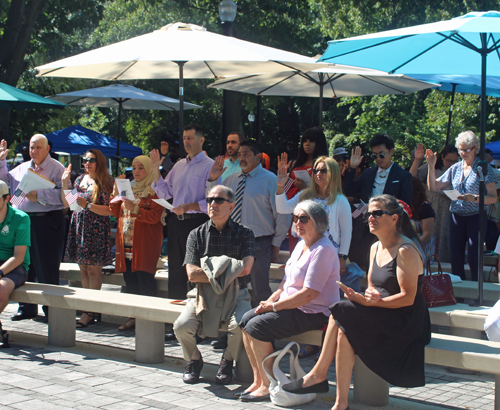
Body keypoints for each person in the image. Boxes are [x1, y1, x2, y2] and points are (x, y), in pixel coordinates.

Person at [283, 195, 431, 410]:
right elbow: (373, 287)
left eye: (377, 213)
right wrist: (365, 297)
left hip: (406, 320)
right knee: (344, 326)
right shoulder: (374, 247)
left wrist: (371, 303)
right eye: (369, 213)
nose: (370, 217)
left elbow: (408, 298)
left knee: (342, 312)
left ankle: (319, 375)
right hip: (381, 312)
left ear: (394, 218)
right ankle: (339, 403)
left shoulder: (405, 250)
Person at [237, 200, 339, 402]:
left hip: (314, 312)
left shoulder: (324, 250)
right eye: (295, 218)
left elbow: (309, 294)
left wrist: (273, 307)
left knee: (257, 327)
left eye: (303, 218)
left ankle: (269, 384)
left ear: (318, 221)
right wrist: (268, 302)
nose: (298, 222)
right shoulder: (301, 244)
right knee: (245, 319)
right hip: (290, 305)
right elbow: (285, 283)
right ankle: (259, 380)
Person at [174, 185, 256, 384]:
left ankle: (227, 360)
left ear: (231, 206)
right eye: (210, 200)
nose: (213, 204)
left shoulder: (245, 234)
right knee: (181, 327)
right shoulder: (196, 235)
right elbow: (192, 275)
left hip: (237, 293)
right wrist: (229, 268)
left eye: (219, 200)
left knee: (240, 325)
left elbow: (246, 269)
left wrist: (211, 269)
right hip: (202, 294)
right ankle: (194, 360)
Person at [151, 124, 222, 300]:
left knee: (196, 270)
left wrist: (189, 206)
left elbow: (214, 199)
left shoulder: (211, 166)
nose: (186, 142)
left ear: (201, 140)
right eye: (184, 138)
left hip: (197, 223)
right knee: (175, 271)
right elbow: (165, 192)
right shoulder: (179, 165)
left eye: (190, 138)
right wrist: (154, 169)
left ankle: (196, 317)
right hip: (176, 223)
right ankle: (174, 320)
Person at [0, 135, 66, 321]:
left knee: (47, 267)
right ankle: (27, 308)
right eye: (31, 147)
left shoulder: (57, 169)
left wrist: (41, 195)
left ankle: (51, 310)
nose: (34, 151)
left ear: (47, 149)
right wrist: (1, 161)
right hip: (24, 221)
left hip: (47, 222)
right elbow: (5, 184)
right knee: (26, 266)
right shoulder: (23, 167)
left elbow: (66, 197)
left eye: (38, 147)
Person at [222, 139, 291, 306]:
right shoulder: (230, 180)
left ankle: (259, 328)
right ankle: (235, 327)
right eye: (240, 155)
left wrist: (275, 244)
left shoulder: (270, 180)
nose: (241, 158)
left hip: (259, 243)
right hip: (233, 241)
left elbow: (283, 215)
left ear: (258, 157)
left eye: (246, 154)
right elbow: (217, 205)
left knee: (260, 291)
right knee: (233, 290)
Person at [426, 131, 498, 281]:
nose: (463, 153)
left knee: (474, 257)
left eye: (467, 149)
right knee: (456, 256)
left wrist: (475, 198)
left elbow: (493, 197)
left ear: (476, 148)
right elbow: (433, 187)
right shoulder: (455, 168)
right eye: (460, 149)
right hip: (456, 216)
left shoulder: (483, 168)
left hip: (475, 216)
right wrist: (431, 166)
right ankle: (458, 291)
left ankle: (476, 291)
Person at [343, 134, 413, 271]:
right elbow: (348, 191)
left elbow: (406, 205)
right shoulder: (368, 173)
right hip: (364, 224)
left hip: (388, 226)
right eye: (374, 156)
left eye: (382, 155)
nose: (378, 159)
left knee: (383, 262)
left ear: (391, 151)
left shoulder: (403, 176)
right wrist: (351, 168)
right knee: (360, 258)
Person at [110, 155, 164, 331]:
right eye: (134, 168)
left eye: (141, 168)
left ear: (148, 169)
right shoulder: (129, 188)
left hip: (145, 243)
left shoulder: (156, 190)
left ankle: (150, 321)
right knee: (131, 282)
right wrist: (115, 191)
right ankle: (134, 318)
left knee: (145, 281)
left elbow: (155, 216)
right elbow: (115, 211)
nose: (137, 171)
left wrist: (135, 208)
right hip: (126, 242)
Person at [62, 149, 114, 327]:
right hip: (79, 225)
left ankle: (90, 310)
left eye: (91, 160)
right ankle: (88, 307)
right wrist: (64, 184)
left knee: (93, 269)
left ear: (99, 161)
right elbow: (70, 205)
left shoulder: (107, 181)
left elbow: (110, 210)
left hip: (96, 228)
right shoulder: (79, 180)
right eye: (85, 160)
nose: (87, 163)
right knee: (83, 268)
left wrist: (89, 205)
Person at [276, 156, 352, 274]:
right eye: (316, 170)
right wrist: (280, 187)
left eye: (323, 170)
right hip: (305, 252)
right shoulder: (305, 195)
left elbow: (346, 231)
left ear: (333, 173)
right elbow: (282, 208)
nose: (318, 173)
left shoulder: (341, 200)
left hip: (329, 254)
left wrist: (342, 257)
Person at [279, 127, 329, 253]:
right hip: (295, 207)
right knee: (295, 241)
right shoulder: (297, 163)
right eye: (305, 141)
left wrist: (305, 189)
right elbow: (287, 187)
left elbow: (327, 191)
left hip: (315, 213)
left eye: (311, 141)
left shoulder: (325, 165)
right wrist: (284, 173)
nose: (307, 144)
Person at [410, 143, 459, 262]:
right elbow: (411, 177)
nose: (452, 164)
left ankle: (444, 263)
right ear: (442, 157)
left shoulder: (459, 169)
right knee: (431, 233)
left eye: (455, 161)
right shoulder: (430, 167)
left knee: (446, 237)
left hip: (449, 209)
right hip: (431, 208)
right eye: (449, 160)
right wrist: (417, 160)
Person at [0, 180, 31, 345]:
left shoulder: (21, 218)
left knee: (1, 290)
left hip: (15, 266)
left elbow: (18, 256)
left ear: (6, 198)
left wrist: (0, 273)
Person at [410, 176, 435, 262]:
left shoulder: (425, 207)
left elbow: (427, 234)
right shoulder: (401, 206)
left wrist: (412, 246)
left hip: (421, 247)